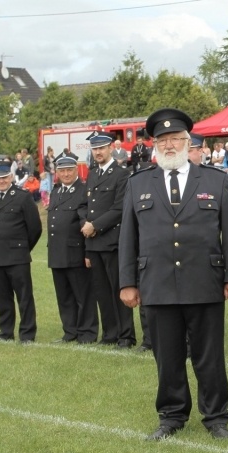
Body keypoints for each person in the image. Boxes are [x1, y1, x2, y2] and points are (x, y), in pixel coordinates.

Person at [118, 107, 228, 441]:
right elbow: (127, 237)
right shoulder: (138, 183)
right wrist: (127, 282)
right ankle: (171, 416)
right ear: (154, 144)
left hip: (204, 280)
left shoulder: (215, 180)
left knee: (210, 355)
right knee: (167, 356)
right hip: (157, 282)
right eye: (163, 139)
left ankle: (216, 417)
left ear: (189, 143)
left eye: (176, 138)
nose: (170, 144)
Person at [82, 133, 136, 348]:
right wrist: (87, 245)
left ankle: (126, 335)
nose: (98, 152)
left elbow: (120, 207)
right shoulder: (93, 174)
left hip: (112, 240)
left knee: (118, 290)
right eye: (95, 149)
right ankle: (110, 334)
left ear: (112, 148)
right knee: (101, 292)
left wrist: (95, 226)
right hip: (94, 243)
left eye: (102, 148)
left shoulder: (122, 174)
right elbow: (89, 209)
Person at [0, 160, 42, 343]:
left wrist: (21, 248)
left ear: (11, 176)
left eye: (4, 177)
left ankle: (27, 334)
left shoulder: (22, 196)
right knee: (2, 298)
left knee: (24, 298)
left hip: (18, 257)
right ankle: (5, 332)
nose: (1, 181)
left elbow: (35, 228)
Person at [47, 155, 98, 344]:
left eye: (69, 170)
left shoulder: (84, 191)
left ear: (77, 170)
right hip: (57, 253)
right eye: (62, 171)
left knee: (83, 296)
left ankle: (87, 333)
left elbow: (86, 223)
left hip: (76, 253)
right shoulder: (56, 191)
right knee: (64, 296)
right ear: (57, 173)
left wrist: (88, 253)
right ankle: (70, 332)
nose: (66, 174)